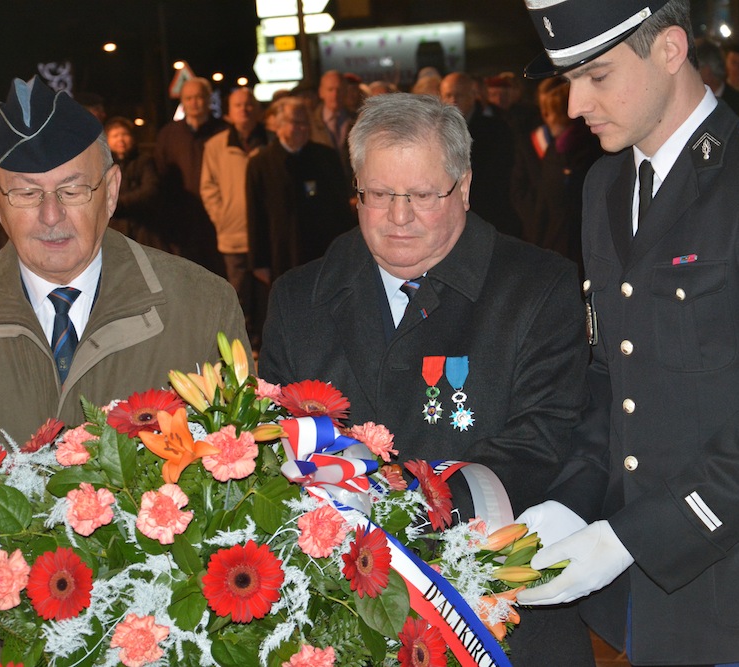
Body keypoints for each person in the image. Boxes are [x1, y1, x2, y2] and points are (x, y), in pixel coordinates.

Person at [515, 1, 739, 665]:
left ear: (670, 49)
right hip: (650, 603)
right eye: (567, 81)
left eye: (597, 76)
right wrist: (570, 499)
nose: (575, 102)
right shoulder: (607, 185)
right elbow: (611, 376)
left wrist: (632, 537)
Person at [259, 92, 594, 665]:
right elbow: (273, 447)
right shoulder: (298, 298)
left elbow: (540, 443)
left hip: (494, 616)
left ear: (463, 187)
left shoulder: (538, 288)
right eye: (379, 195)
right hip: (339, 616)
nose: (398, 217)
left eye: (420, 195)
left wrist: (397, 511)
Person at [0, 74, 247, 475]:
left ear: (112, 190)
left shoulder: (201, 310)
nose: (51, 216)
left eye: (73, 190)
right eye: (26, 193)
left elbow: (237, 476)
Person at [246, 97, 354, 286]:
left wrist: (346, 252)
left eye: (306, 123)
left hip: (321, 252)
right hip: (281, 254)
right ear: (278, 126)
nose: (302, 128)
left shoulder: (325, 157)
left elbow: (340, 209)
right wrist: (258, 262)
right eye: (295, 123)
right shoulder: (261, 164)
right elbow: (255, 216)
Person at [201, 87, 269, 347]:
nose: (245, 109)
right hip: (233, 231)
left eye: (250, 104)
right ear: (229, 112)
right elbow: (208, 187)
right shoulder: (215, 146)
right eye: (238, 105)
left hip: (263, 233)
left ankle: (264, 341)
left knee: (265, 293)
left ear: (259, 110)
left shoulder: (270, 141)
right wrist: (221, 217)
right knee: (237, 292)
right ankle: (240, 345)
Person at [512, 76, 601, 269]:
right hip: (554, 237)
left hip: (578, 240)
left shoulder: (591, 145)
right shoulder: (550, 147)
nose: (546, 116)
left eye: (551, 110)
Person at [153, 77, 227, 274]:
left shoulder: (224, 131)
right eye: (189, 98)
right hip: (183, 218)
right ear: (183, 101)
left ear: (208, 99)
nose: (194, 102)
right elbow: (160, 174)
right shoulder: (169, 134)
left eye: (199, 97)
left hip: (217, 217)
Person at [440, 72, 522, 237]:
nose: (453, 100)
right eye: (448, 95)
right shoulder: (436, 132)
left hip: (487, 218)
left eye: (459, 94)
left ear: (472, 95)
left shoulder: (495, 130)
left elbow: (500, 180)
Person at [104, 116, 165, 250]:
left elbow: (150, 190)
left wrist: (119, 203)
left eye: (124, 134)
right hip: (115, 229)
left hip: (144, 229)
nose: (121, 139)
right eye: (115, 135)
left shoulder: (144, 161)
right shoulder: (102, 166)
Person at [309, 70, 355, 179]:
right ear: (321, 92)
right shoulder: (310, 123)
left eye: (339, 90)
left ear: (346, 92)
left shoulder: (358, 120)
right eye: (330, 90)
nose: (335, 94)